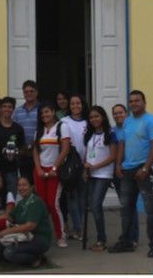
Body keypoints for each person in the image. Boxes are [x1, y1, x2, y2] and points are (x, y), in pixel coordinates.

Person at [108, 90, 153, 258]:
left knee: (150, 209)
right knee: (126, 209)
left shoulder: (151, 121)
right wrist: (118, 164)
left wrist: (146, 168)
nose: (133, 104)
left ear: (144, 102)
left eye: (137, 101)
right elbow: (122, 144)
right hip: (127, 170)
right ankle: (126, 242)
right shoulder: (127, 122)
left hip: (144, 170)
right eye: (131, 101)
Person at [0, 176, 52, 268]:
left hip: (38, 238)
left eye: (24, 185)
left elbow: (29, 226)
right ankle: (19, 255)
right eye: (19, 185)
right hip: (22, 237)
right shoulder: (21, 203)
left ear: (32, 187)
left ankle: (36, 258)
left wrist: (5, 232)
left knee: (9, 252)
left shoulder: (36, 202)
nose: (21, 188)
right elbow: (10, 216)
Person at [32, 103, 70, 247]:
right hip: (40, 170)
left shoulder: (62, 127)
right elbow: (35, 151)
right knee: (41, 205)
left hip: (55, 171)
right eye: (42, 114)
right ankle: (42, 234)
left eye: (47, 112)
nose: (45, 116)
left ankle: (61, 236)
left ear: (53, 111)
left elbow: (65, 149)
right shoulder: (39, 130)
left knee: (53, 204)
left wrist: (54, 167)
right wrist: (38, 169)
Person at [83, 106, 117, 251]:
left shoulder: (110, 134)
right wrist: (86, 168)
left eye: (97, 116)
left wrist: (96, 166)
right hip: (91, 174)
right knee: (92, 205)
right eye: (91, 117)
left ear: (103, 117)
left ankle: (101, 240)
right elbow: (88, 153)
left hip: (104, 174)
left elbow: (113, 156)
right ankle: (100, 239)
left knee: (96, 205)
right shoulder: (89, 134)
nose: (94, 119)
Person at [59, 94, 88, 241]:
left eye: (78, 103)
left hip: (84, 165)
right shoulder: (64, 121)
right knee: (72, 198)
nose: (75, 106)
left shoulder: (88, 122)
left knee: (82, 198)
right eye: (72, 104)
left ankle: (80, 227)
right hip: (70, 166)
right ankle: (77, 228)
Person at [109, 102, 137, 247]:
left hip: (130, 170)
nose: (118, 115)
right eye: (115, 113)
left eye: (120, 112)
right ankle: (127, 235)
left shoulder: (131, 129)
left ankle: (133, 238)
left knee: (129, 205)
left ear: (126, 114)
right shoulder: (112, 131)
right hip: (118, 172)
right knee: (124, 205)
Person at [0, 97, 26, 194]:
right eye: (4, 106)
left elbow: (22, 148)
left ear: (13, 109)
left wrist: (16, 153)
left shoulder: (18, 128)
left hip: (11, 170)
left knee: (10, 198)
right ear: (1, 108)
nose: (7, 109)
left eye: (10, 107)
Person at [13, 80, 41, 181]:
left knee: (37, 182)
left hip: (39, 152)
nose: (29, 94)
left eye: (31, 91)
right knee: (25, 182)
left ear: (36, 92)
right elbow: (14, 130)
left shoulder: (42, 109)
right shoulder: (17, 111)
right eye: (26, 92)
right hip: (23, 153)